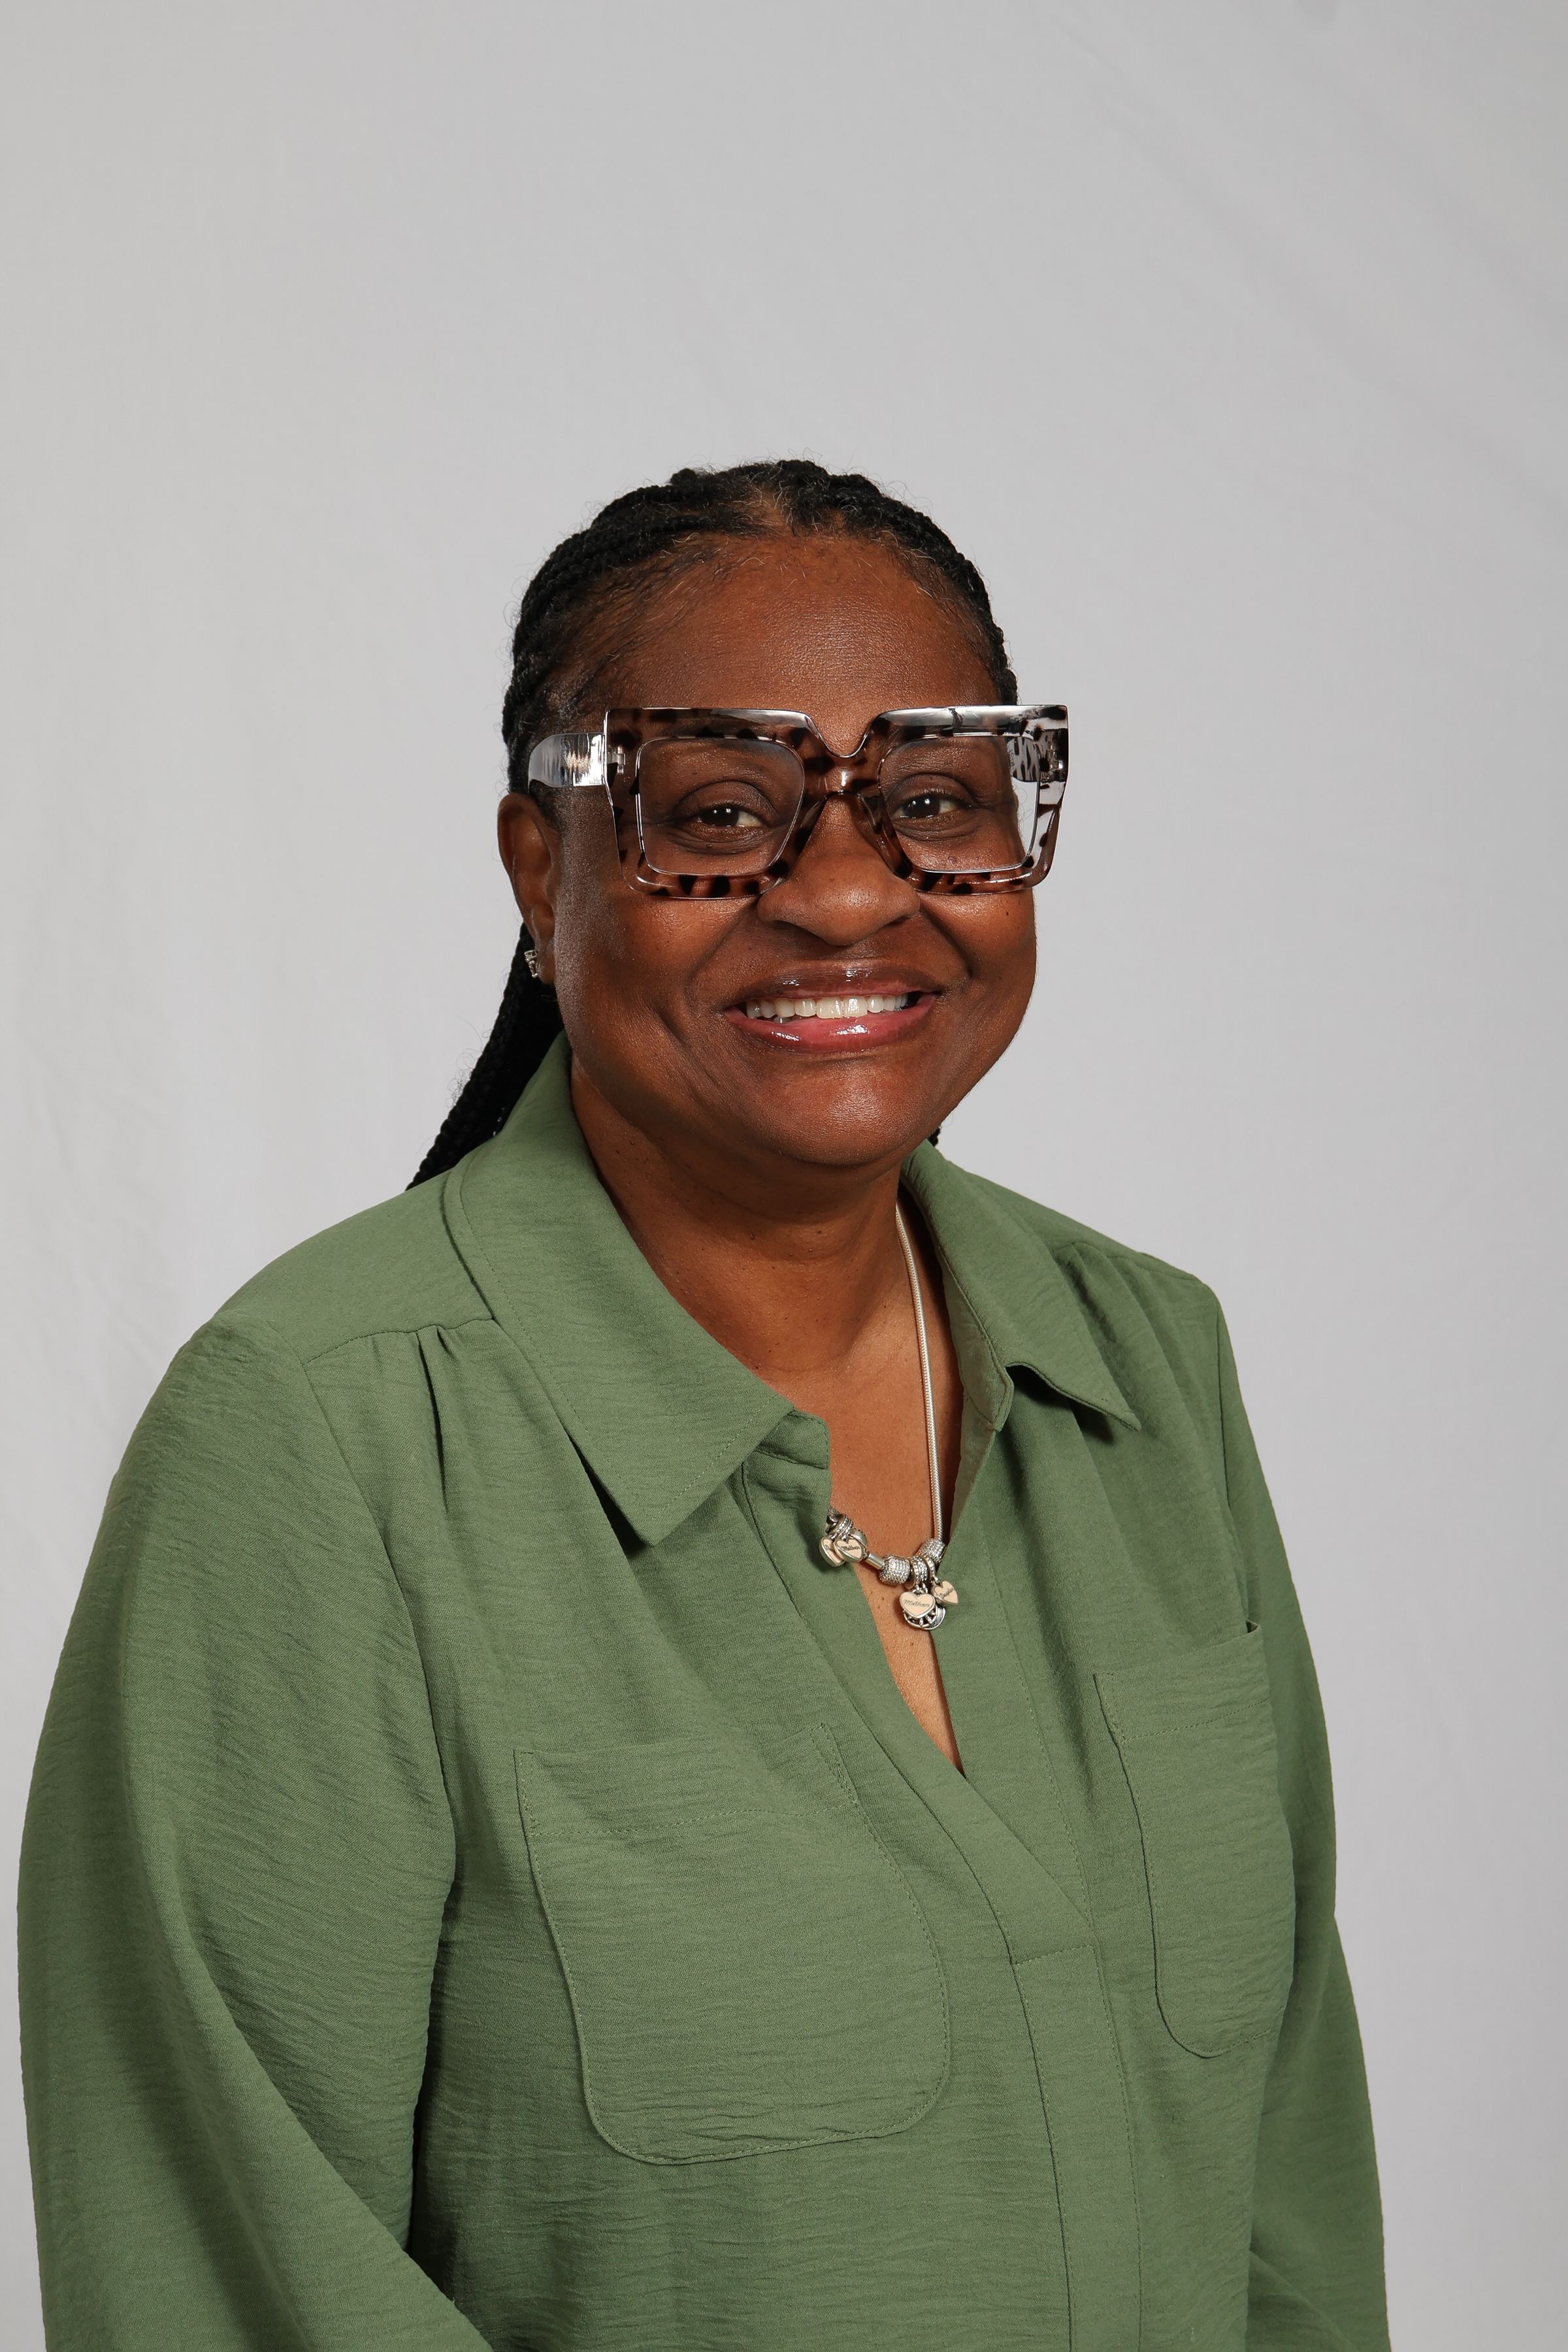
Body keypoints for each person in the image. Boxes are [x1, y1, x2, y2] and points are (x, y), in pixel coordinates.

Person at [19, 461, 1388, 2350]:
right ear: (541, 868)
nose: (847, 892)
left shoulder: (1148, 1366)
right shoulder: (321, 1439)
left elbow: (1287, 2186)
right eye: (721, 813)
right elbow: (228, 2287)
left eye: (934, 800)